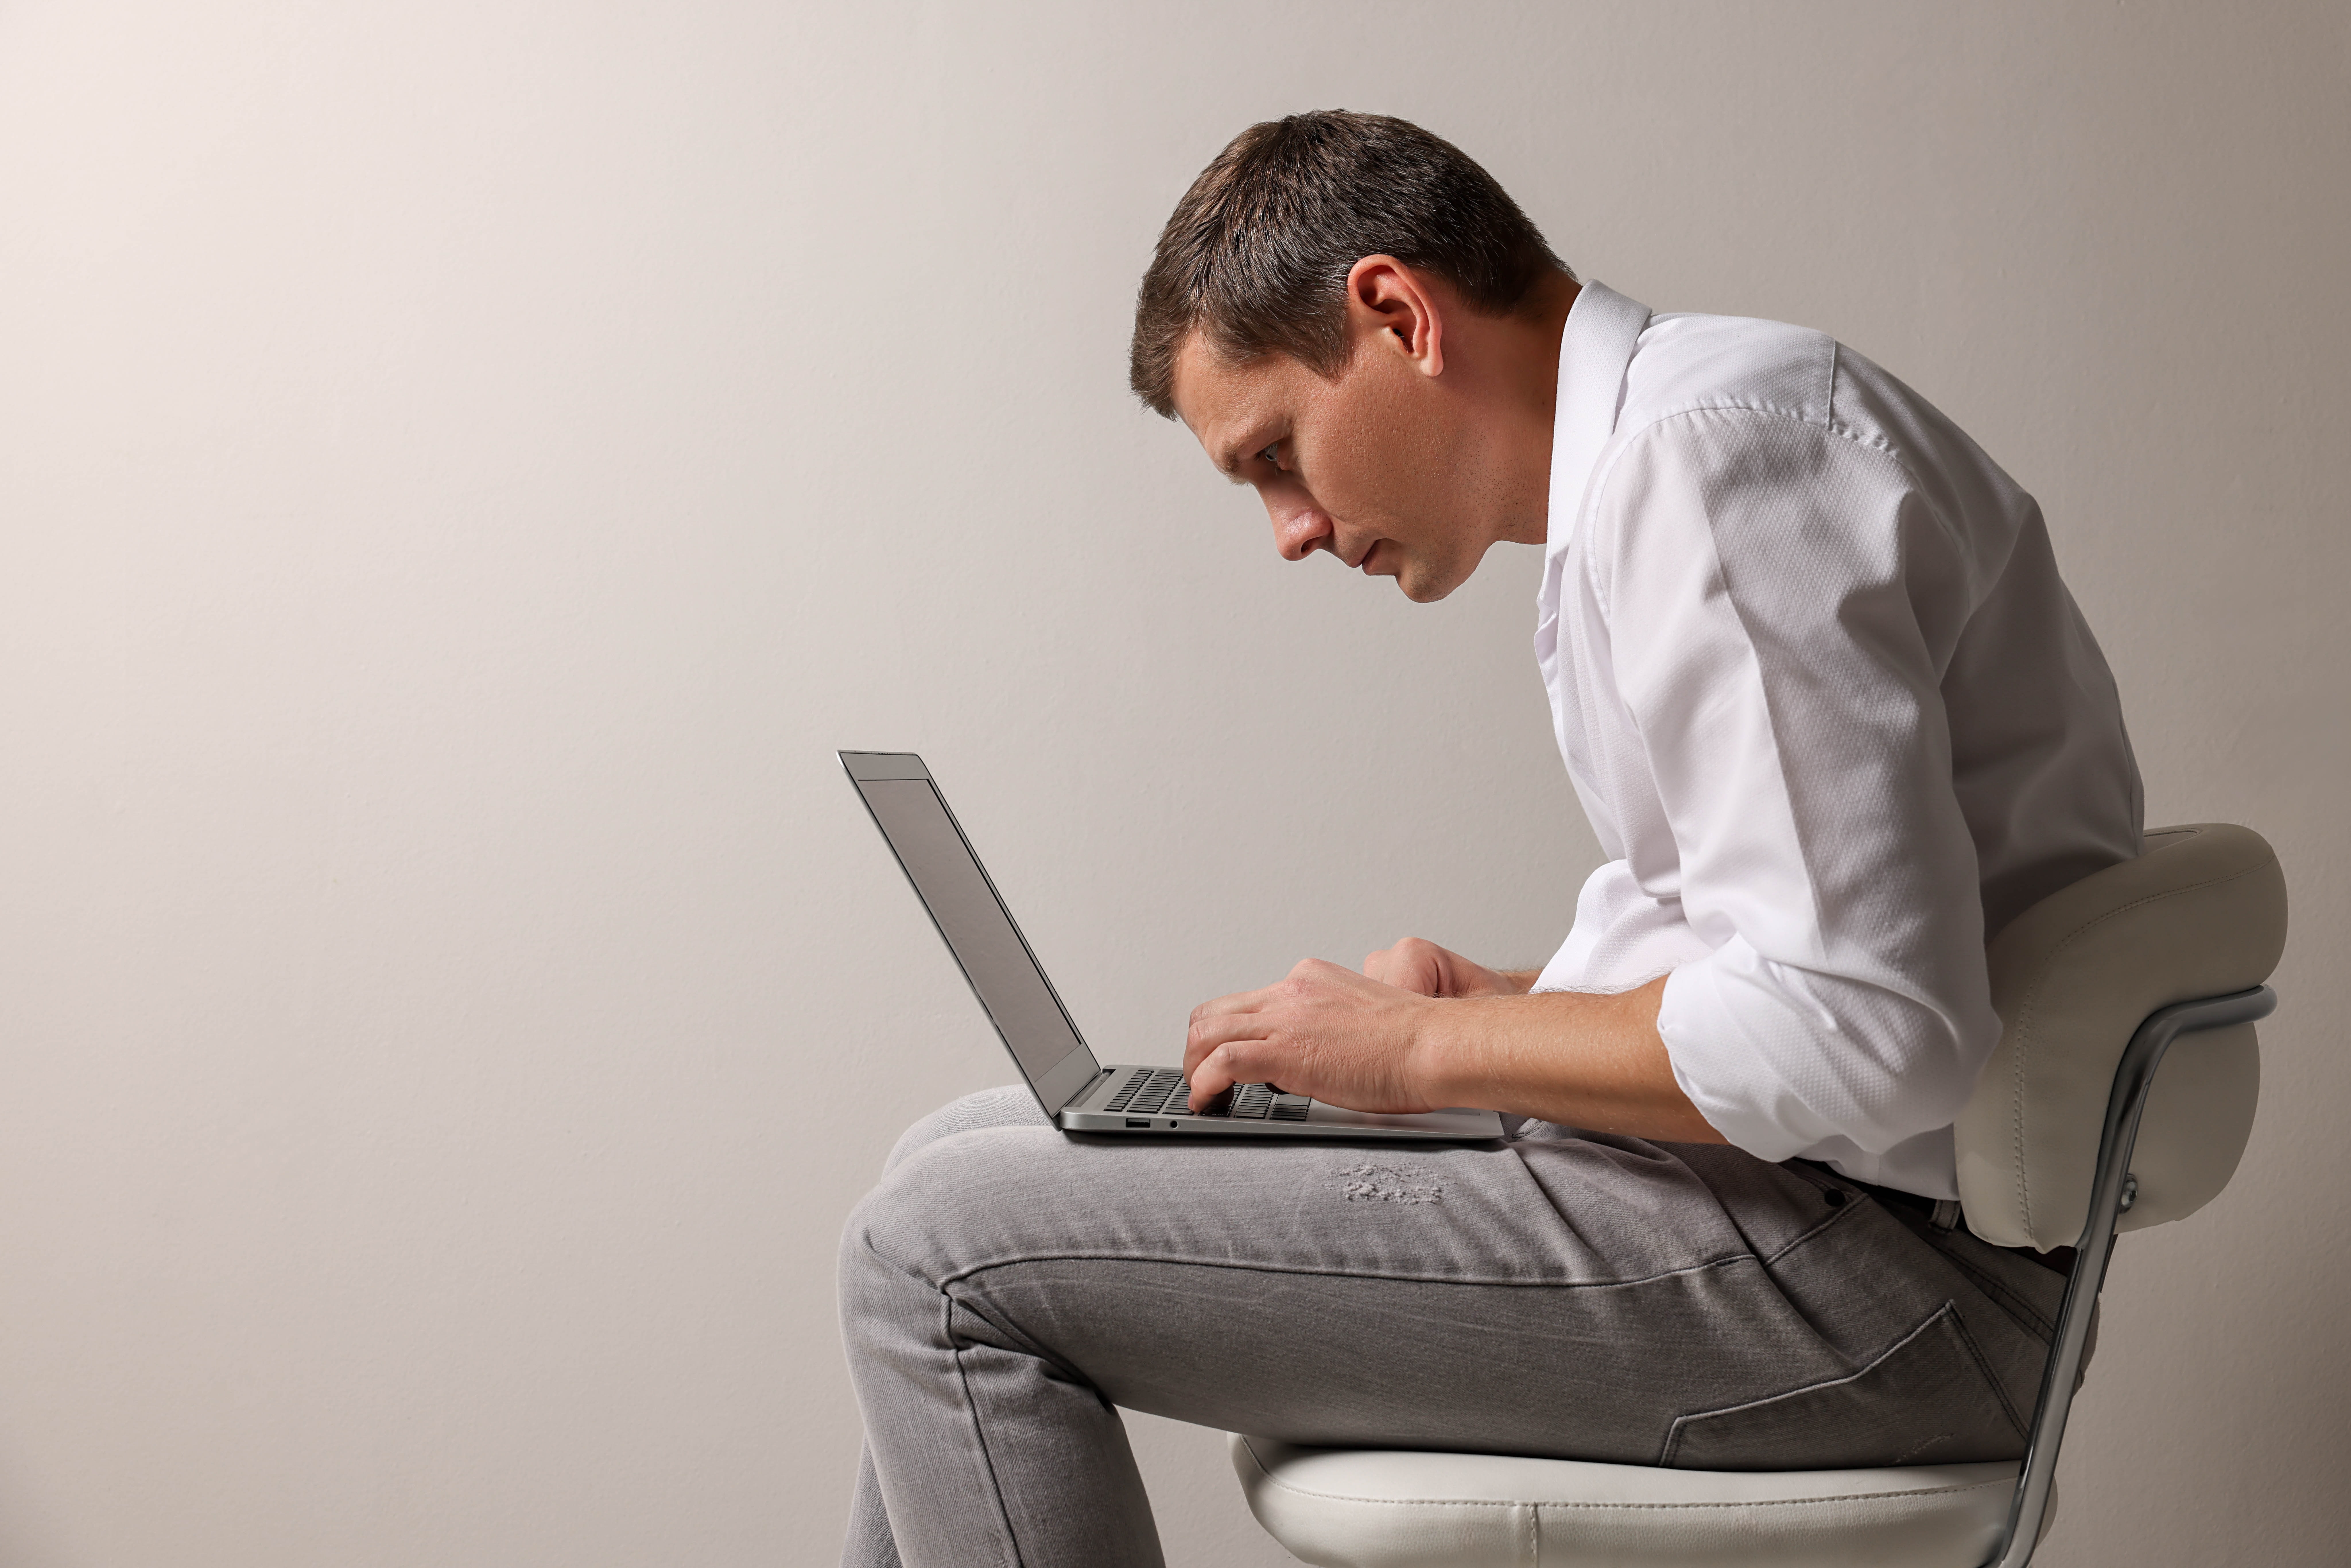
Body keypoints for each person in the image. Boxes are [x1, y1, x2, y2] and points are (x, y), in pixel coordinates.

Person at [836, 110, 2141, 1568]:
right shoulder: (1674, 460)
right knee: (943, 1161)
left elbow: (1865, 1029)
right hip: (1817, 1223)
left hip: (1877, 1288)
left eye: (1276, 452)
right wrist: (1507, 1004)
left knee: (933, 1250)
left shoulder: (1705, 469)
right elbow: (1802, 956)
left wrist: (1420, 1056)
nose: (1287, 528)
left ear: (1396, 314)